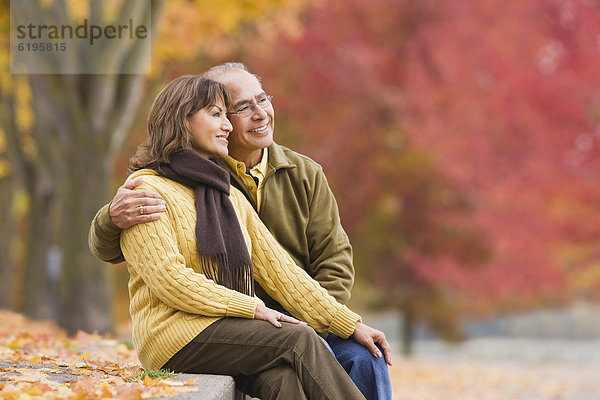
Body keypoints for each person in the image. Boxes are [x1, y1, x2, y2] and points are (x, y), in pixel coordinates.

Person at [89, 63, 392, 399]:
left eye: (226, 115)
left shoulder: (226, 193)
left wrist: (350, 323)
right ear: (181, 121)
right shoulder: (147, 190)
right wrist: (253, 308)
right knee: (300, 340)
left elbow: (284, 274)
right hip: (175, 336)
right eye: (218, 114)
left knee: (286, 381)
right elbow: (170, 280)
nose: (226, 126)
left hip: (238, 330)